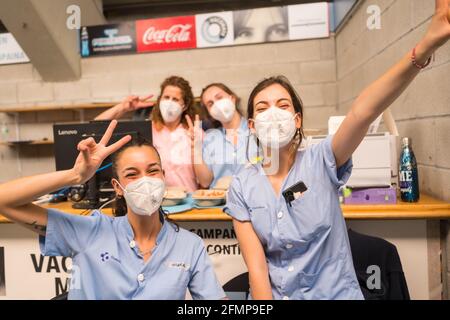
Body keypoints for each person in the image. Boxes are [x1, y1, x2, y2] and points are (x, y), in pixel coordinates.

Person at [224, 0, 450, 300]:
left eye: (283, 105)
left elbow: (363, 112)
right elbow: (257, 272)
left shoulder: (322, 160)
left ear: (297, 119)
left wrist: (422, 50)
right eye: (262, 108)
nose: (273, 113)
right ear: (252, 125)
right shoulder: (242, 186)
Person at [0, 120, 226, 300]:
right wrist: (75, 176)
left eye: (153, 171)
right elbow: (4, 201)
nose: (145, 180)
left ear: (164, 178)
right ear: (117, 187)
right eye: (132, 174)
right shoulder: (91, 231)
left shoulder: (189, 245)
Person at [95, 76, 199, 192]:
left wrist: (197, 146)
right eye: (166, 97)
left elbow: (205, 181)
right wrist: (122, 107)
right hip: (151, 200)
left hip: (189, 200)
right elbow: (92, 129)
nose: (169, 102)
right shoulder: (145, 129)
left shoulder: (194, 133)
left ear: (184, 105)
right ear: (159, 100)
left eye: (175, 99)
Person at [187, 83, 257, 189]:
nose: (217, 105)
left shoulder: (257, 130)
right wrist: (195, 147)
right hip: (220, 202)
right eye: (210, 104)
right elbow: (205, 182)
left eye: (219, 98)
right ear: (210, 113)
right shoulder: (209, 139)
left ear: (232, 98)